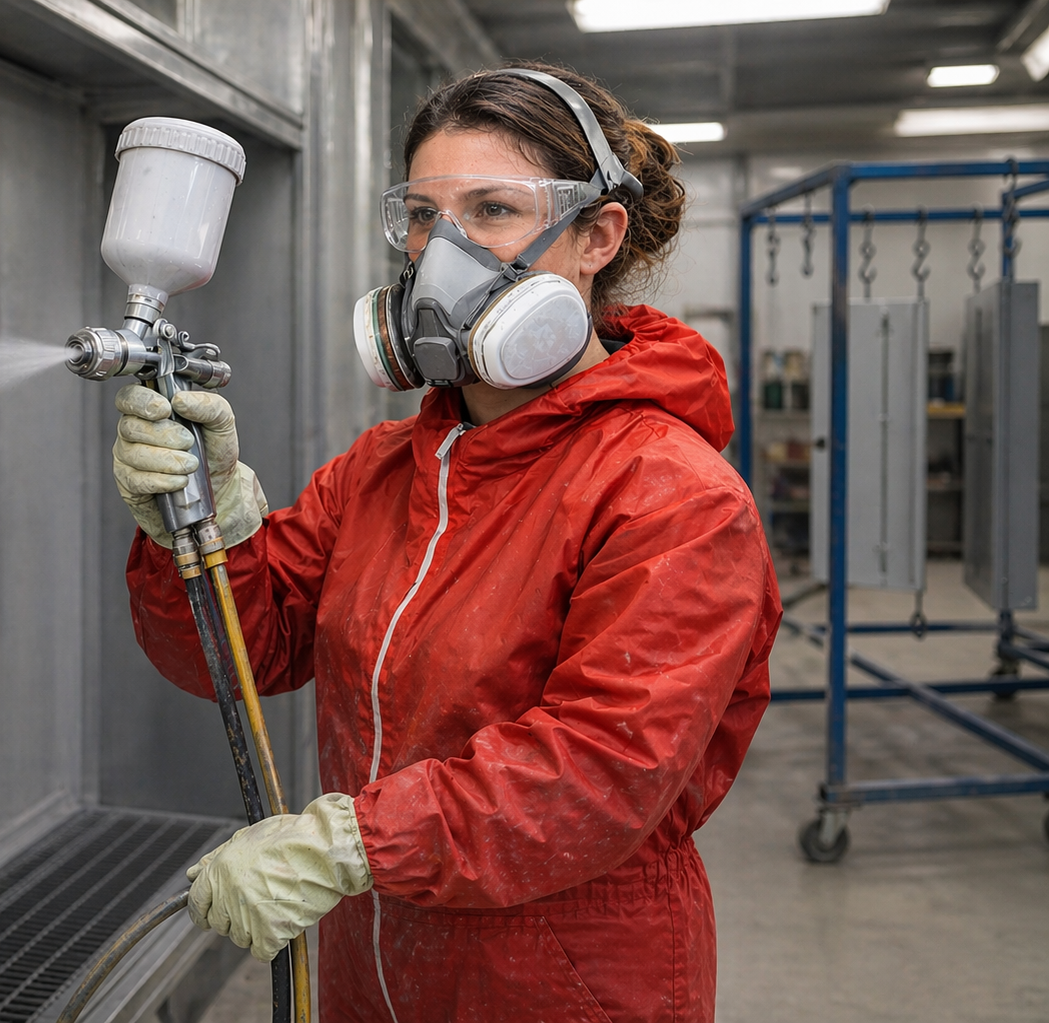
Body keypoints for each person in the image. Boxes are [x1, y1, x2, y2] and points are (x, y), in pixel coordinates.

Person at [111, 62, 780, 1023]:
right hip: (372, 957)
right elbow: (242, 654)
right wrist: (202, 526)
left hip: (559, 977)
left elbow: (601, 769)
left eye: (494, 209)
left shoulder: (670, 494)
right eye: (421, 216)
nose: (441, 253)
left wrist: (348, 847)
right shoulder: (385, 468)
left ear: (596, 237)